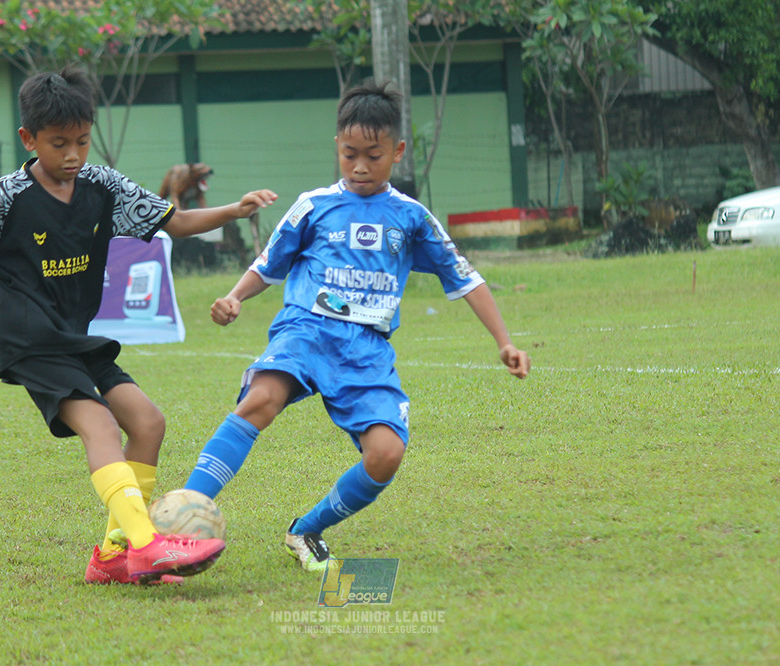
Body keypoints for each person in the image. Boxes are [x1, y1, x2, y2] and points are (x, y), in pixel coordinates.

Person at [0, 66, 278, 585]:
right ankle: (148, 544)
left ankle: (112, 557)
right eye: (58, 143)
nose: (72, 155)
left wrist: (233, 210)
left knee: (149, 423)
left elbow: (173, 222)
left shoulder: (102, 187)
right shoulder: (5, 197)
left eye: (82, 141)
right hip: (28, 338)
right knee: (102, 426)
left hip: (72, 337)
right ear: (28, 138)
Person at [182, 80, 530, 572]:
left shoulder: (411, 217)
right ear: (337, 149)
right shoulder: (315, 206)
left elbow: (466, 277)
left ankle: (307, 529)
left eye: (374, 155)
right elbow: (268, 261)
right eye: (350, 155)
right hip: (306, 328)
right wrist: (235, 297)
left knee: (386, 454)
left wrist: (505, 343)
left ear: (398, 152)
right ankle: (180, 518)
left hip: (366, 349)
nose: (361, 166)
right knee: (261, 398)